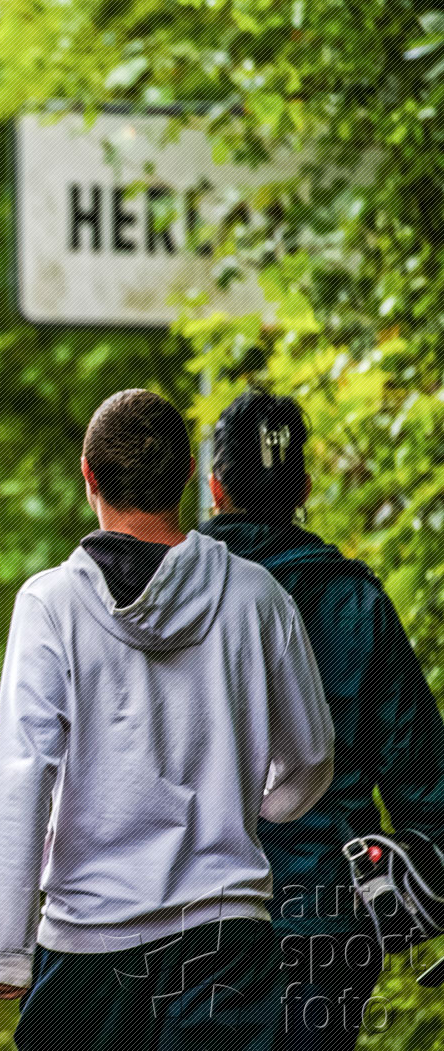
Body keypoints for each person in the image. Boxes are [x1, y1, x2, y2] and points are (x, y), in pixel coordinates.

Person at [0, 387, 335, 1050]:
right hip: (226, 938)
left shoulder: (51, 605)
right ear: (190, 474)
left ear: (88, 476)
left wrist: (2, 946)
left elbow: (24, 775)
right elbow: (309, 756)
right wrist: (258, 804)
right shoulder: (257, 597)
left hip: (89, 941)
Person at [199, 388, 444, 1050]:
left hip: (191, 919)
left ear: (215, 488)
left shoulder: (166, 602)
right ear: (304, 488)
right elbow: (423, 783)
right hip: (326, 921)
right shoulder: (355, 599)